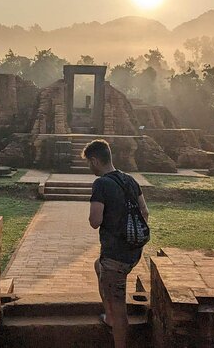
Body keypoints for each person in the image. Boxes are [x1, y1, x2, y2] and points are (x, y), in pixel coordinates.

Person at [83, 139, 149, 348]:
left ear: (95, 160)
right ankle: (109, 315)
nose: (89, 167)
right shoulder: (130, 179)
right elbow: (144, 212)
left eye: (88, 163)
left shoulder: (101, 183)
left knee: (120, 307)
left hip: (115, 257)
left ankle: (116, 328)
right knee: (97, 265)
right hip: (133, 252)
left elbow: (95, 221)